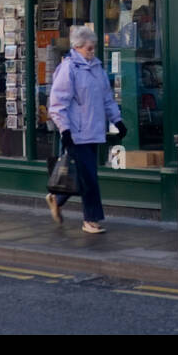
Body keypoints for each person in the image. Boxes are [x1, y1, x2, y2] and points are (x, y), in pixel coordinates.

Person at [46, 25, 125, 234]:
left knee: (84, 175)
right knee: (89, 177)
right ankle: (91, 220)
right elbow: (57, 104)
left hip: (95, 131)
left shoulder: (97, 67)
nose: (92, 52)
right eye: (89, 48)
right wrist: (65, 131)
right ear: (77, 47)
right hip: (77, 133)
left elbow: (107, 98)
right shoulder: (69, 68)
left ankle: (57, 198)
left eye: (94, 48)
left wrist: (117, 121)